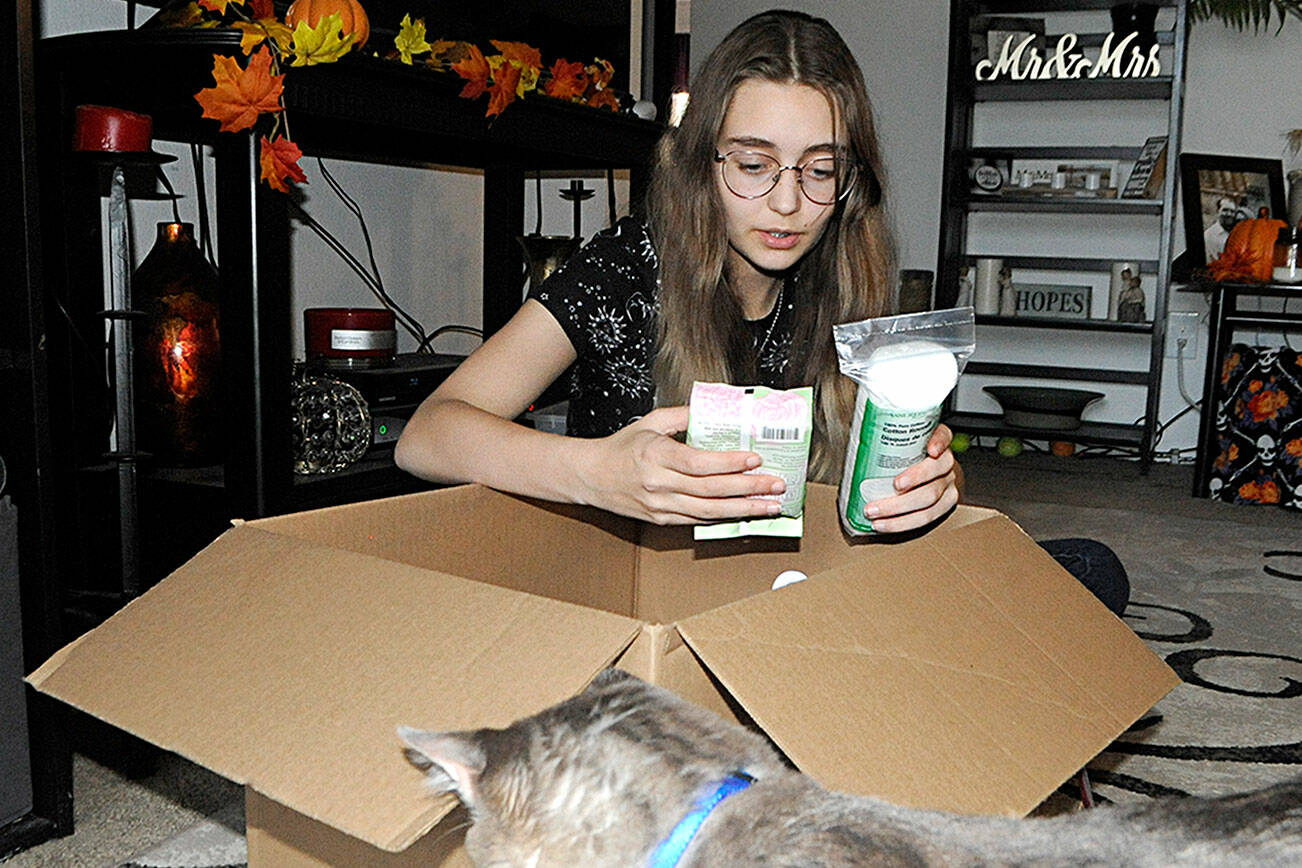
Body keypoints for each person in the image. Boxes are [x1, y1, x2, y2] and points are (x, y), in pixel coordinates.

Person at [396, 10, 1128, 615]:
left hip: (789, 596)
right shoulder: (625, 267)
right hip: (643, 607)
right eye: (752, 165)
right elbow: (427, 435)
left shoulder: (843, 276)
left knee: (1088, 571)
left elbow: (852, 518)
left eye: (820, 170)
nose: (787, 203)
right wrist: (596, 472)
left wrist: (923, 492)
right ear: (701, 160)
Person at [1203, 196, 1239, 261]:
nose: (1229, 214)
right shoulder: (1210, 235)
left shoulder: (1236, 233)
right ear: (1217, 211)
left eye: (1232, 211)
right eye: (1225, 210)